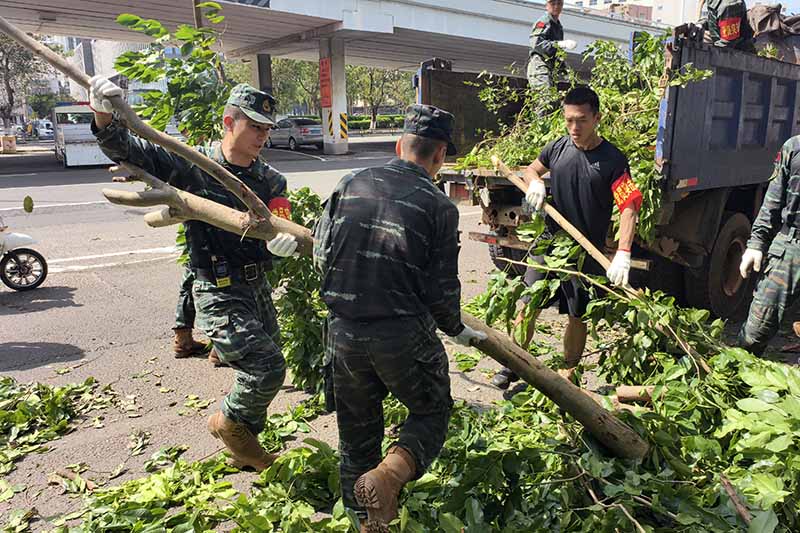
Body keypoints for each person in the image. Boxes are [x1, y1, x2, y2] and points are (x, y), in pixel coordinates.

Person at [89, 77, 297, 471]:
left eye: (267, 129)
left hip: (257, 287)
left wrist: (281, 246)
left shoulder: (272, 180)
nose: (262, 137)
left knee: (264, 365)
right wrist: (103, 116)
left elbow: (283, 225)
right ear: (228, 121)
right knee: (266, 368)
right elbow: (132, 149)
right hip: (218, 290)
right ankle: (229, 423)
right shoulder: (195, 165)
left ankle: (242, 443)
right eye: (255, 126)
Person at [313, 104, 487, 532]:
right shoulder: (439, 207)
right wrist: (458, 330)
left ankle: (363, 522)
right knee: (432, 410)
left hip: (343, 335)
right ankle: (390, 476)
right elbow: (441, 292)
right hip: (400, 336)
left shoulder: (350, 182)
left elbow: (321, 256)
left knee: (355, 438)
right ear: (440, 155)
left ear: (399, 145)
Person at [492, 86, 642, 389]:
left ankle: (569, 373)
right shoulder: (558, 147)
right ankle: (514, 362)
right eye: (569, 120)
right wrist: (535, 183)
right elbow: (531, 169)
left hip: (585, 251)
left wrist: (623, 252)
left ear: (597, 118)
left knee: (578, 315)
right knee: (528, 302)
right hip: (549, 242)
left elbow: (629, 206)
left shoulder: (613, 160)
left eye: (582, 120)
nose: (574, 128)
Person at [739, 136, 800, 356]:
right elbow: (773, 200)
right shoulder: (794, 148)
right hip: (792, 246)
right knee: (754, 333)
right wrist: (756, 243)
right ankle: (741, 376)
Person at [528, 0, 576, 90]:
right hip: (540, 67)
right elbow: (537, 44)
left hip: (549, 68)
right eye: (553, 3)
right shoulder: (544, 22)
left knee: (553, 100)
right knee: (546, 100)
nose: (556, 6)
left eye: (559, 4)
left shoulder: (557, 26)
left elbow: (556, 53)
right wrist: (559, 44)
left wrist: (566, 70)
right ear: (547, 5)